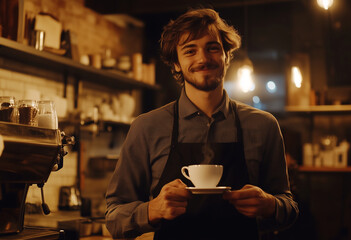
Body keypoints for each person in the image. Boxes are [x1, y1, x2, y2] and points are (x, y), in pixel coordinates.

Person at [105, 8, 298, 240]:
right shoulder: (146, 127)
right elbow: (114, 217)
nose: (203, 58)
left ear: (227, 56)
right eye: (190, 50)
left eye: (212, 48)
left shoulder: (264, 125)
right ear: (176, 63)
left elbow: (289, 207)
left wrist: (270, 205)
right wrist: (152, 209)